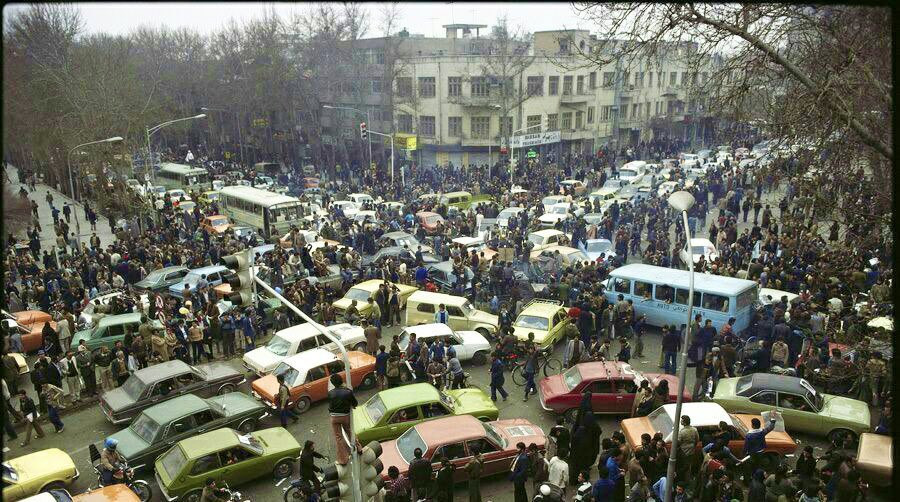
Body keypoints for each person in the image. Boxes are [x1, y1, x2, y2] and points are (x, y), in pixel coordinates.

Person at [327, 373, 358, 465]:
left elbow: (330, 404)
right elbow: (355, 403)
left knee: (338, 438)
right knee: (350, 432)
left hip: (334, 417)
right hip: (345, 416)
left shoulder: (330, 393)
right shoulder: (348, 392)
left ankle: (343, 459)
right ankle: (358, 448)